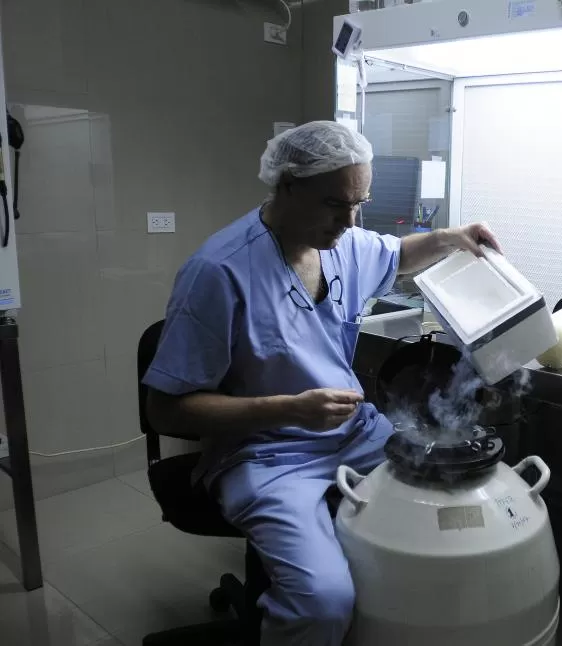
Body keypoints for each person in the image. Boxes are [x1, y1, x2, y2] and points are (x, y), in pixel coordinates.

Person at [143, 121, 500, 646]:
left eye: (359, 203)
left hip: (355, 435)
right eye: (335, 204)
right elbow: (167, 411)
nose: (350, 220)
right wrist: (288, 410)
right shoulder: (218, 272)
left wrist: (452, 238)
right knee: (323, 602)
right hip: (264, 455)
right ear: (287, 185)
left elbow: (399, 255)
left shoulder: (343, 244)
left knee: (454, 510)